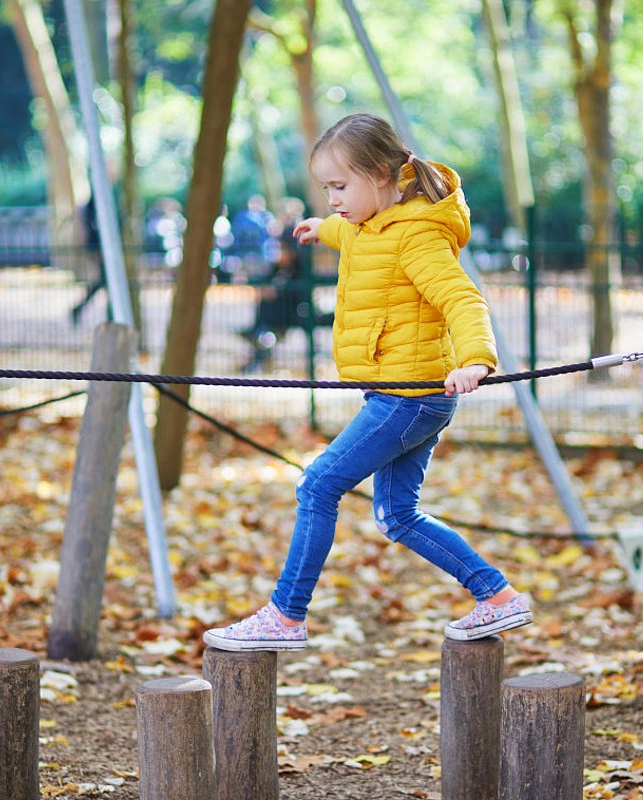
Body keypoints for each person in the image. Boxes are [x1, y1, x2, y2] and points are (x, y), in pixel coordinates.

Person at [204, 113, 532, 651]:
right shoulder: (366, 224)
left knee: (317, 485)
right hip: (405, 395)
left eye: (340, 186)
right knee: (397, 515)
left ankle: (285, 615)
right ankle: (496, 597)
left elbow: (462, 298)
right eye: (326, 188)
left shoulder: (417, 236)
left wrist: (476, 359)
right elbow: (356, 235)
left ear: (383, 176)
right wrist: (320, 227)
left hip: (409, 397)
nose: (333, 199)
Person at [240, 196, 308, 373]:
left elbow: (289, 267)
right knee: (264, 302)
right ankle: (259, 335)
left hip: (292, 304)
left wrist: (275, 290)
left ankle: (260, 337)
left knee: (269, 309)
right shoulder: (284, 235)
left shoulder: (294, 236)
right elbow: (275, 268)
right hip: (280, 300)